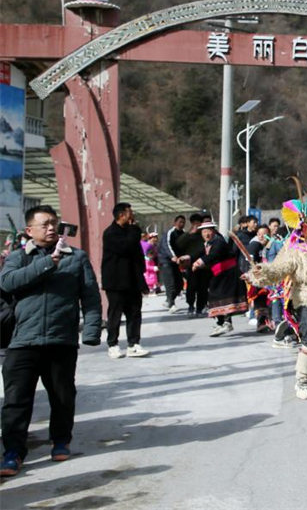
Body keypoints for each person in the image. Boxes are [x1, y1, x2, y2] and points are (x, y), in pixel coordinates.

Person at [0, 205, 102, 477]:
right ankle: (12, 452)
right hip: (22, 341)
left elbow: (90, 297)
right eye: (44, 224)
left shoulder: (76, 258)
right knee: (16, 401)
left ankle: (60, 440)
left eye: (54, 223)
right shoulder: (18, 258)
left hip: (61, 340)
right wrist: (47, 263)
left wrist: (91, 331)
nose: (51, 228)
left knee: (62, 396)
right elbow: (8, 283)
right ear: (29, 231)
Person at [247, 185, 307, 399]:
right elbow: (277, 269)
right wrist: (261, 272)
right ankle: (301, 381)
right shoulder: (295, 250)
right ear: (304, 226)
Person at [102, 202, 150, 359]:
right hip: (116, 282)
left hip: (133, 280)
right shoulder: (111, 233)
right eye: (130, 212)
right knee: (115, 314)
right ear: (121, 215)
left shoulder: (131, 232)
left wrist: (142, 282)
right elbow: (125, 248)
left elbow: (137, 258)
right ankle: (113, 345)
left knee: (135, 313)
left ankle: (134, 344)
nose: (132, 215)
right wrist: (135, 229)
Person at [193, 221, 248, 337]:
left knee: (223, 297)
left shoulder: (219, 242)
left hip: (228, 274)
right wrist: (189, 258)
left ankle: (226, 322)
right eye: (204, 231)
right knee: (216, 296)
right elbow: (200, 253)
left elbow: (213, 255)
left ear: (213, 231)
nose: (206, 234)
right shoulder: (207, 243)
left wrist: (199, 262)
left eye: (209, 231)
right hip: (219, 275)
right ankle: (221, 322)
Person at [175, 213, 210, 317]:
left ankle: (200, 307)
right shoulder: (188, 235)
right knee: (191, 287)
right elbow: (178, 244)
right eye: (194, 223)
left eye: (198, 223)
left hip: (204, 265)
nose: (196, 225)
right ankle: (190, 305)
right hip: (190, 266)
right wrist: (189, 233)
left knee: (203, 288)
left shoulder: (205, 234)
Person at [157, 215, 185, 313]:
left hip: (176, 261)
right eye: (180, 222)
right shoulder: (170, 233)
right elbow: (167, 245)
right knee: (171, 283)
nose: (182, 224)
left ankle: (168, 300)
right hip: (166, 261)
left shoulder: (183, 233)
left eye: (183, 222)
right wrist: (172, 256)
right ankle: (171, 304)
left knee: (179, 284)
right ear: (175, 222)